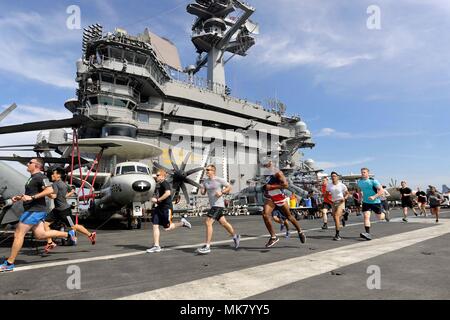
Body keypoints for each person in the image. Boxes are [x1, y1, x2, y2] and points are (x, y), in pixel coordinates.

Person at [1, 159, 77, 272]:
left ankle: (9, 263)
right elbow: (32, 194)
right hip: (34, 209)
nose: (27, 164)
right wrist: (19, 197)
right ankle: (68, 234)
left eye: (30, 162)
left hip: (34, 210)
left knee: (18, 234)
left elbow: (49, 189)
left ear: (36, 165)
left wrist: (32, 198)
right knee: (41, 235)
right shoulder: (32, 178)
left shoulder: (41, 177)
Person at [44, 168, 97, 253]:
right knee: (45, 224)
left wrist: (46, 192)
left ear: (58, 175)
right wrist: (66, 196)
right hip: (57, 210)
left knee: (74, 226)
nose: (52, 175)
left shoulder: (55, 184)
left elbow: (53, 196)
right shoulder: (64, 184)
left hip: (64, 211)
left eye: (53, 174)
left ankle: (91, 235)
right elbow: (72, 190)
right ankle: (50, 243)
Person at [260, 157, 306, 247]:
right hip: (270, 198)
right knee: (265, 215)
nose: (264, 164)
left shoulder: (277, 172)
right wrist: (264, 188)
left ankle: (300, 231)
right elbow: (267, 185)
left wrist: (271, 187)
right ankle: (273, 237)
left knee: (289, 216)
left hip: (279, 197)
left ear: (271, 162)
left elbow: (285, 185)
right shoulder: (267, 173)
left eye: (266, 162)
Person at [196, 165, 240, 254]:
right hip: (213, 205)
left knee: (208, 222)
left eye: (208, 170)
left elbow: (229, 187)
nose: (206, 171)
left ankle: (207, 246)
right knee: (224, 223)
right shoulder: (205, 181)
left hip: (218, 205)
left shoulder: (219, 179)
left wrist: (222, 192)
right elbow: (203, 192)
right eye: (206, 170)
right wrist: (201, 187)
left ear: (213, 171)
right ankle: (235, 236)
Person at [146, 169, 192, 253]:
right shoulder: (159, 183)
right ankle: (156, 246)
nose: (156, 176)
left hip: (166, 208)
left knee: (167, 228)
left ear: (163, 176)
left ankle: (182, 223)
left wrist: (157, 200)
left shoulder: (165, 183)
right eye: (156, 175)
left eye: (158, 175)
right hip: (158, 208)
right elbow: (153, 176)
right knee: (155, 225)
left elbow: (168, 193)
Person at [357, 168, 386, 241]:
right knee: (366, 217)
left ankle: (384, 214)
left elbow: (381, 191)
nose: (363, 173)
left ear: (368, 173)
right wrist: (360, 198)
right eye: (362, 172)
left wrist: (374, 196)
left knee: (380, 218)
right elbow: (359, 191)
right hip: (366, 202)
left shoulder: (373, 181)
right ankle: (368, 234)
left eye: (364, 172)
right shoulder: (360, 182)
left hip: (375, 202)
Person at [327, 172, 350, 241]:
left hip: (341, 202)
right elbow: (326, 194)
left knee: (336, 216)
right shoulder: (329, 186)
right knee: (335, 218)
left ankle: (337, 235)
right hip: (333, 202)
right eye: (332, 176)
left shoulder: (342, 185)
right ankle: (343, 216)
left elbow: (347, 193)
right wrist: (329, 200)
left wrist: (344, 198)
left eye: (334, 176)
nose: (333, 177)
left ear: (337, 177)